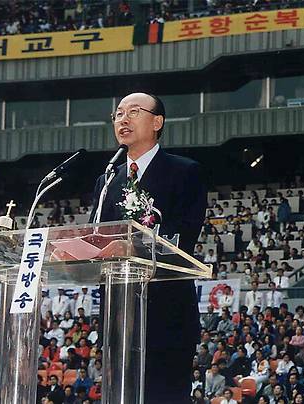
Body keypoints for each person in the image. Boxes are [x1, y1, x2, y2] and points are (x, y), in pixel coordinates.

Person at [89, 93, 206, 403]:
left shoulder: (184, 172)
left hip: (166, 314)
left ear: (157, 122)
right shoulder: (107, 181)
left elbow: (184, 237)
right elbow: (94, 236)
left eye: (133, 112)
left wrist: (131, 245)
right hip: (119, 316)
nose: (122, 119)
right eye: (118, 114)